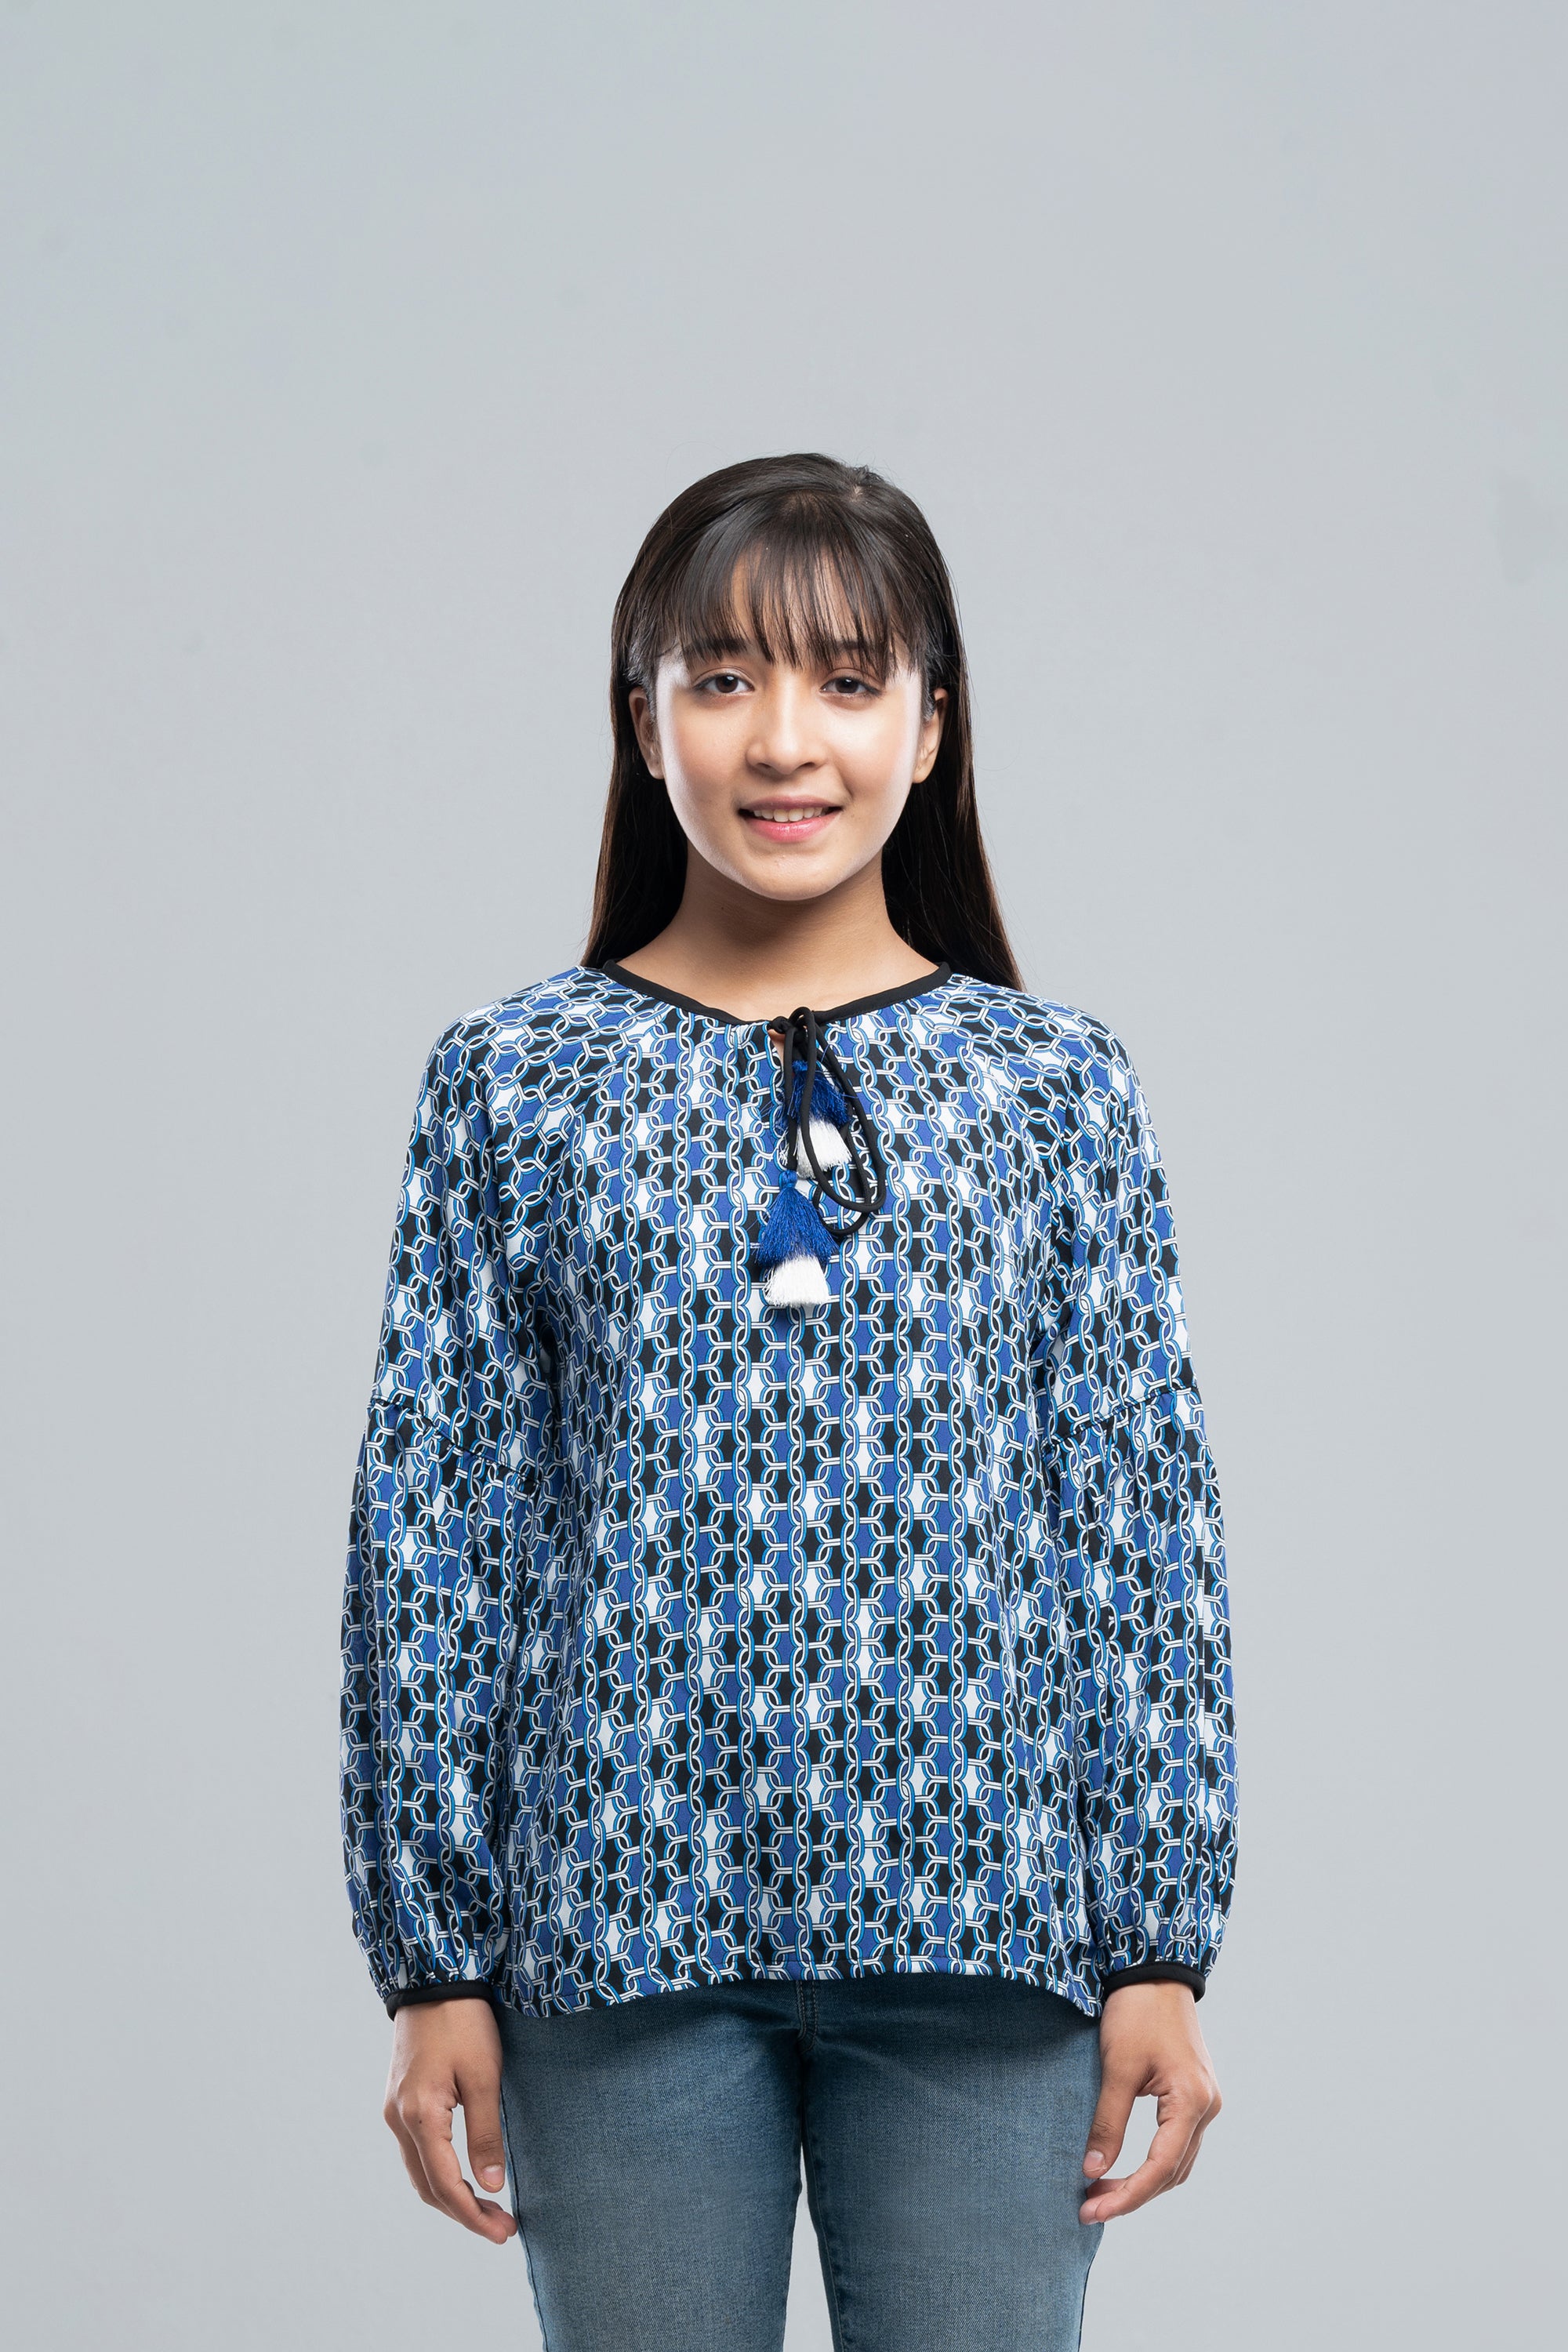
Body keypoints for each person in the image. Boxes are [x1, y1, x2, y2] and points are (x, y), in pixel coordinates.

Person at [340, 452, 1236, 2352]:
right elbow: (434, 1528)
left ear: (932, 721)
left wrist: (1158, 1945)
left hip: (986, 1929)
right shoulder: (514, 1081)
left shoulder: (1052, 1087)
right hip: (620, 1931)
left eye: (844, 678)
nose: (783, 740)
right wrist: (432, 1962)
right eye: (723, 677)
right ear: (640, 715)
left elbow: (1136, 1520)